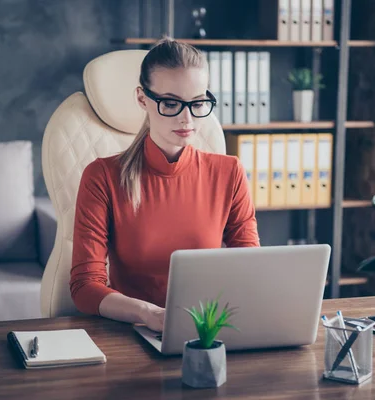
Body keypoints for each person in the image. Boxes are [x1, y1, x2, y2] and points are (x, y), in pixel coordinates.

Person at [70, 38, 260, 332]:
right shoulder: (102, 176)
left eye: (197, 103)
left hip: (208, 332)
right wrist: (148, 314)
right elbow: (85, 287)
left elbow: (251, 268)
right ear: (142, 99)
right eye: (170, 103)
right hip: (132, 332)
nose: (187, 118)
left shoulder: (230, 172)